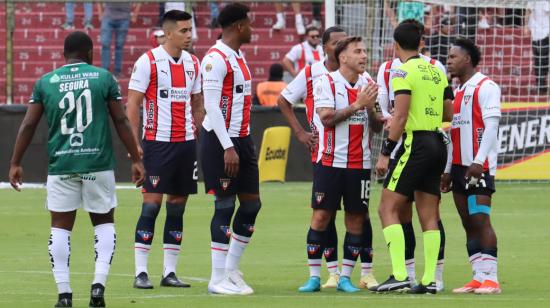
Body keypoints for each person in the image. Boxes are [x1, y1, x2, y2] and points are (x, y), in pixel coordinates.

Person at [8, 31, 144, 308]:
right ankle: (98, 288)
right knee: (104, 222)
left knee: (60, 227)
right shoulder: (103, 78)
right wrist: (135, 157)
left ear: (63, 55)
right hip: (97, 164)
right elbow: (121, 120)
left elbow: (28, 125)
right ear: (91, 53)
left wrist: (15, 162)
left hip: (62, 165)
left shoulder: (46, 82)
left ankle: (64, 295)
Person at [278, 27, 379, 291]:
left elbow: (376, 126)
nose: (364, 56)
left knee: (356, 218)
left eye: (364, 51)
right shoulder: (323, 80)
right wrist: (358, 105)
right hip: (329, 160)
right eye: (358, 51)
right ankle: (314, 276)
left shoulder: (368, 81)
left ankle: (345, 277)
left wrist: (375, 111)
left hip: (360, 164)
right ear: (340, 55)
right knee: (322, 217)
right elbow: (326, 119)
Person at [374, 21, 453, 294]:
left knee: (387, 207)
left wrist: (385, 153)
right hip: (437, 143)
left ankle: (399, 274)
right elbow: (448, 113)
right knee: (429, 214)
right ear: (420, 42)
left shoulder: (402, 71)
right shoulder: (435, 70)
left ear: (395, 45)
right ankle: (430, 280)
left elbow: (401, 115)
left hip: (415, 143)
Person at [127, 10, 204, 290]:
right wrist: (134, 145)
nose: (189, 36)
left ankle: (169, 272)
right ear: (168, 33)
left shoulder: (194, 63)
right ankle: (140, 272)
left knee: (177, 207)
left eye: (190, 30)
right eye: (183, 31)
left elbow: (197, 101)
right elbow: (133, 104)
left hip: (185, 145)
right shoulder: (148, 62)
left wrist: (198, 129)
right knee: (151, 205)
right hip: (156, 143)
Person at [200, 3, 260, 295]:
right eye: (249, 24)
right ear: (239, 27)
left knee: (251, 205)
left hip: (242, 139)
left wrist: (241, 143)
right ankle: (216, 278)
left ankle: (231, 269)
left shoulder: (238, 57)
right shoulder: (215, 58)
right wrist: (228, 146)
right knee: (224, 205)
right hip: (221, 142)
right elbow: (211, 106)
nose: (252, 29)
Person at [443, 38, 502, 295]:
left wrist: (478, 161)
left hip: (479, 166)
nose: (449, 61)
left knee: (480, 219)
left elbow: (491, 126)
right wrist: (446, 170)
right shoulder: (456, 93)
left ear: (467, 59)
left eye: (453, 57)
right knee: (467, 222)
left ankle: (492, 279)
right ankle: (478, 276)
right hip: (458, 168)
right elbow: (454, 135)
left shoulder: (486, 86)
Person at [98, 2, 141, 78]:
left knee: (119, 45)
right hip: (108, 16)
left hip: (124, 18)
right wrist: (100, 13)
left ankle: (117, 71)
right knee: (105, 44)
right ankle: (105, 71)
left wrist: (135, 14)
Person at [525, 1, 549, 95]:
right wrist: (526, 26)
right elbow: (528, 11)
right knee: (538, 60)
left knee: (544, 60)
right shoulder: (533, 1)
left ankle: (542, 85)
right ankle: (540, 85)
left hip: (546, 33)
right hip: (536, 33)